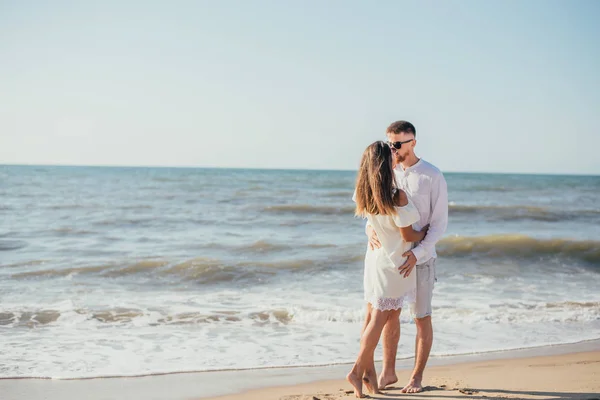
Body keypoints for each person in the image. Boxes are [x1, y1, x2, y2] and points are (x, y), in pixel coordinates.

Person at [367, 121, 448, 393]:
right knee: (390, 315)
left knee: (421, 316)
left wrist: (418, 253)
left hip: (421, 259)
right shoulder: (388, 173)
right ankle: (388, 373)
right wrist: (369, 231)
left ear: (413, 142)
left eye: (398, 144)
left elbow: (438, 225)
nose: (393, 149)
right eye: (390, 144)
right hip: (394, 261)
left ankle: (416, 377)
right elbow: (376, 208)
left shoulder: (432, 176)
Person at [347, 141, 428, 398]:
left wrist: (371, 229)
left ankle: (370, 374)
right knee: (381, 317)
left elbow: (371, 223)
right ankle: (357, 370)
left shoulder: (365, 191)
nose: (396, 153)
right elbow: (408, 232)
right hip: (395, 262)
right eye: (391, 152)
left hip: (375, 259)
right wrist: (426, 232)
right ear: (384, 162)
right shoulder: (397, 195)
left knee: (374, 315)